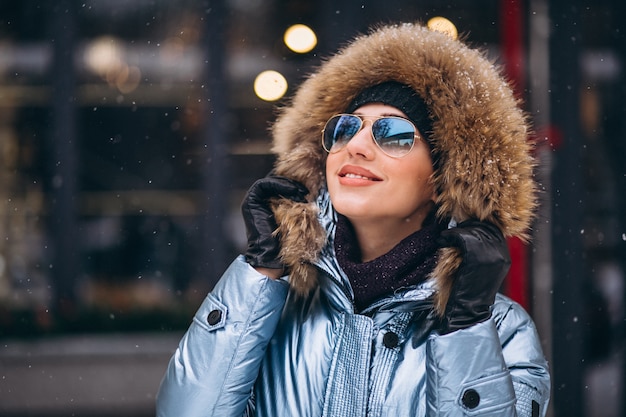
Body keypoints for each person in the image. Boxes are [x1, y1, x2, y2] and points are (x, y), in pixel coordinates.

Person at [156, 22, 550, 416]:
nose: (356, 146)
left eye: (393, 134)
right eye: (345, 128)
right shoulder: (274, 302)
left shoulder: (500, 330)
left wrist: (464, 329)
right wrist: (258, 274)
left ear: (444, 178)